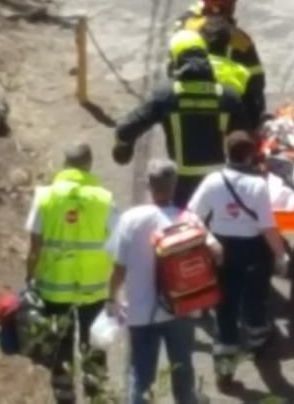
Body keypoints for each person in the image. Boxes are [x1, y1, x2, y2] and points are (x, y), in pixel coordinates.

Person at [107, 160, 220, 404]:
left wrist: (112, 297)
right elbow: (217, 251)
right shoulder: (189, 219)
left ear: (148, 184)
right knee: (182, 368)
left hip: (141, 312)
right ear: (175, 185)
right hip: (180, 308)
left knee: (141, 375)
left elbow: (119, 269)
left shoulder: (130, 219)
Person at [187, 131, 289, 391]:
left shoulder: (213, 180)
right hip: (253, 251)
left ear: (226, 152)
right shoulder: (257, 186)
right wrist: (281, 255)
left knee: (224, 310)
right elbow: (268, 227)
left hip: (222, 250)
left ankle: (224, 370)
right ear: (251, 155)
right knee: (254, 301)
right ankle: (258, 344)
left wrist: (210, 241)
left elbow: (191, 215)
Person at [113, 30, 249, 207]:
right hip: (219, 185)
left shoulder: (166, 95)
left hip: (180, 187)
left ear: (175, 60)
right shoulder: (228, 96)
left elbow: (125, 129)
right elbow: (245, 138)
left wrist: (123, 147)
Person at [25, 143, 117, 403]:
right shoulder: (104, 199)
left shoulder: (45, 197)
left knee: (61, 343)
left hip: (54, 286)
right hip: (94, 286)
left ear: (64, 165)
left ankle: (65, 394)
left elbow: (34, 246)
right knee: (95, 341)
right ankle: (96, 392)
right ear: (89, 164)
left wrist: (29, 277)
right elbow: (119, 242)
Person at [178, 0, 266, 122]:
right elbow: (257, 81)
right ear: (232, 5)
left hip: (186, 98)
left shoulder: (189, 26)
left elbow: (189, 14)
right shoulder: (240, 39)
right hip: (228, 105)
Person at [199, 15, 263, 127]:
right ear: (228, 44)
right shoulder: (241, 73)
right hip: (231, 130)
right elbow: (255, 93)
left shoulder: (192, 70)